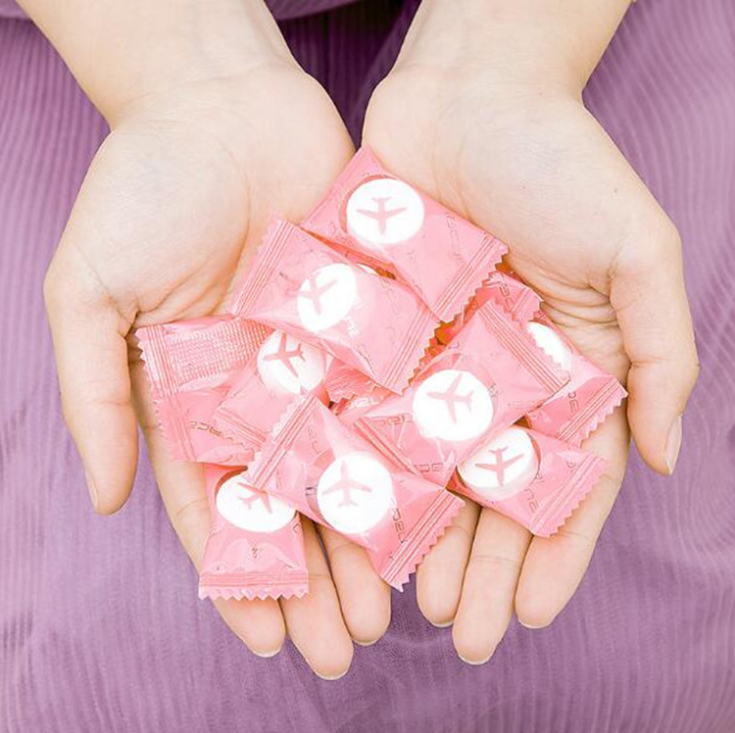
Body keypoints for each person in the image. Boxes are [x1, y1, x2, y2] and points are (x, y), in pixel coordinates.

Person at [1, 1, 732, 731]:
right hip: (105, 42)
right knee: (125, 647)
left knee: (636, 635)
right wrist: (176, 75)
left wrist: (506, 54)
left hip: (563, 36)